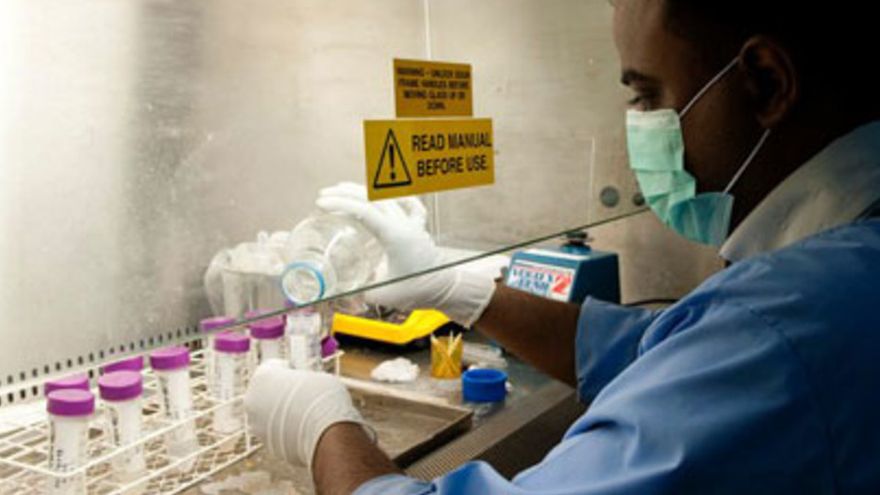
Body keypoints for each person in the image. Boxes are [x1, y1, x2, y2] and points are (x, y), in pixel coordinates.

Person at [245, 1, 880, 493]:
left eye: (648, 95)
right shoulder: (841, 262)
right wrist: (455, 285)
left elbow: (725, 351)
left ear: (766, 83)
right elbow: (656, 351)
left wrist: (323, 424)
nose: (638, 127)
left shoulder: (784, 325)